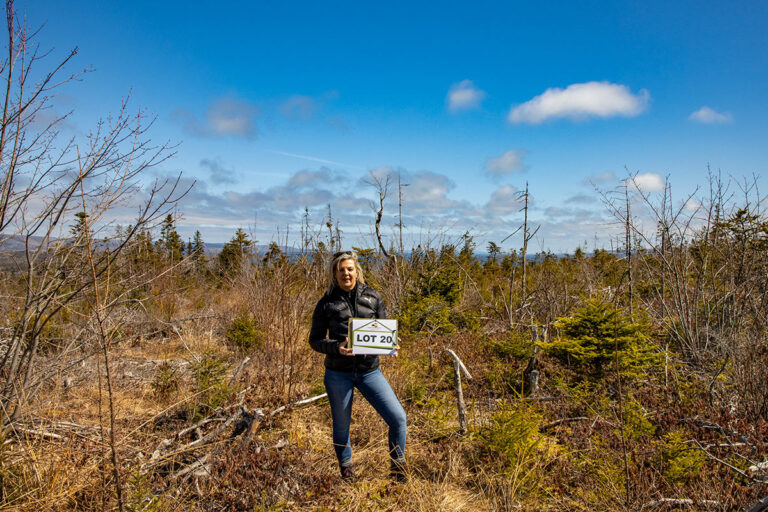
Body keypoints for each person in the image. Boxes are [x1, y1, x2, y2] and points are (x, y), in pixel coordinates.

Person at [309, 250, 407, 482]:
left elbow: (383, 329)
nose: (346, 273)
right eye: (341, 270)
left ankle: (398, 469)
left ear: (357, 271)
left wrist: (392, 342)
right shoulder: (326, 303)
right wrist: (336, 347)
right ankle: (347, 470)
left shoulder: (373, 298)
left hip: (369, 371)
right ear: (335, 273)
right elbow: (314, 340)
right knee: (342, 426)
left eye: (350, 269)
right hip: (337, 374)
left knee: (398, 418)